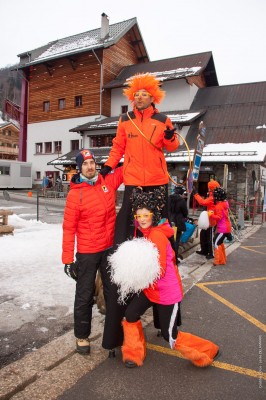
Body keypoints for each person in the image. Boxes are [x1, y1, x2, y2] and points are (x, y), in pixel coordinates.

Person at [101, 73, 180, 352]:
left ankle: (165, 320)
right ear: (132, 97)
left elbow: (171, 145)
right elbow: (118, 147)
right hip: (133, 182)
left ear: (153, 97)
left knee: (161, 242)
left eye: (145, 93)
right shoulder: (125, 121)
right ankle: (117, 330)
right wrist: (108, 167)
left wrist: (170, 137)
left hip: (158, 183)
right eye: (136, 94)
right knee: (124, 238)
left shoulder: (162, 120)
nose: (140, 97)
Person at [109, 187, 219, 368]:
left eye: (146, 215)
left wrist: (132, 273)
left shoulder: (157, 235)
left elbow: (157, 270)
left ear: (153, 215)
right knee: (131, 314)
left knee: (171, 336)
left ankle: (208, 350)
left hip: (167, 292)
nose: (142, 219)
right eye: (139, 216)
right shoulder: (145, 233)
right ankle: (133, 353)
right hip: (151, 288)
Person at [62, 149, 123, 354]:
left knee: (112, 292)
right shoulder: (74, 194)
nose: (89, 167)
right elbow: (69, 229)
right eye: (85, 163)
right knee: (84, 294)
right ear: (79, 168)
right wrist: (68, 260)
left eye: (92, 163)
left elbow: (127, 169)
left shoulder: (107, 182)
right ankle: (82, 337)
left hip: (108, 249)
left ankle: (114, 333)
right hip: (87, 252)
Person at [193, 179, 220, 259]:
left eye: (209, 187)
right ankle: (204, 250)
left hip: (211, 219)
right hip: (208, 218)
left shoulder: (213, 197)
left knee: (209, 236)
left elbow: (202, 202)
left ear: (211, 188)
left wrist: (196, 194)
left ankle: (210, 252)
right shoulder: (213, 196)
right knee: (203, 234)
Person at [210, 187, 232, 266]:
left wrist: (211, 215)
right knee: (220, 243)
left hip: (223, 228)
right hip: (226, 227)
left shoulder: (218, 206)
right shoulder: (225, 204)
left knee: (216, 243)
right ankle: (222, 260)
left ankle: (217, 260)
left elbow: (219, 217)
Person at [168, 185, 188, 263]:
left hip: (169, 221)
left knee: (170, 240)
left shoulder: (169, 198)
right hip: (178, 222)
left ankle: (169, 258)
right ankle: (175, 259)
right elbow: (185, 212)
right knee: (176, 241)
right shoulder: (181, 200)